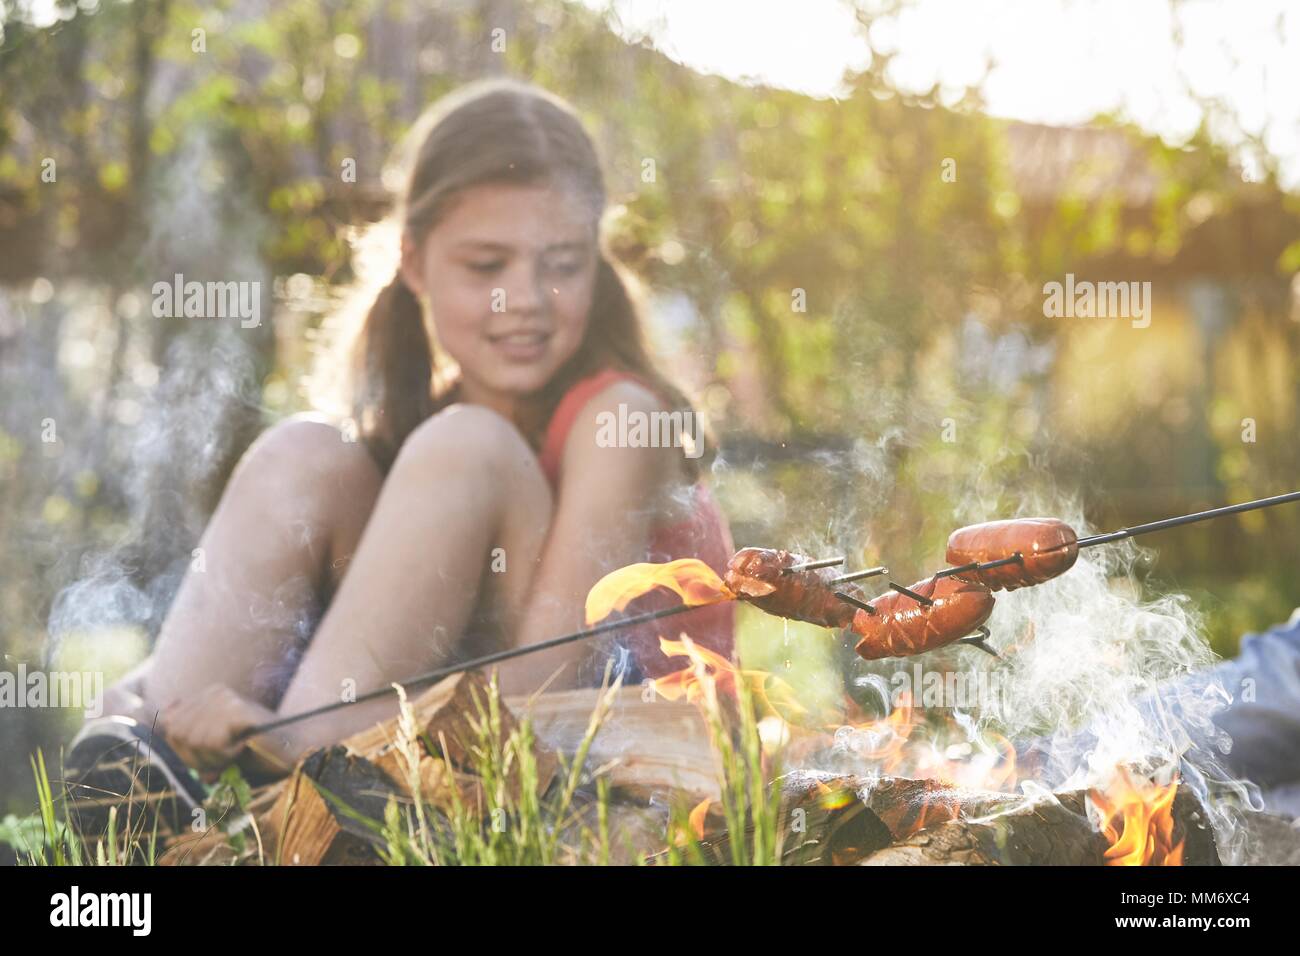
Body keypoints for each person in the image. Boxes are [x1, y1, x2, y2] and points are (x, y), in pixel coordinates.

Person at [78, 78, 735, 782]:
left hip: (626, 765)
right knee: (307, 454)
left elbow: (545, 692)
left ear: (595, 261)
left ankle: (303, 778)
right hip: (458, 747)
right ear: (415, 262)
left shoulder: (620, 417)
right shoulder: (435, 433)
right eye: (486, 266)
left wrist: (283, 738)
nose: (526, 301)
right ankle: (151, 779)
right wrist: (149, 693)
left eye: (563, 264)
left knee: (469, 447)